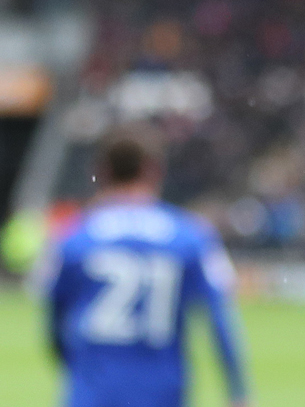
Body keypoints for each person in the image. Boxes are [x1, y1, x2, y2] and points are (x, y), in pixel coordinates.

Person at [43, 128, 249, 407]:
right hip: (161, 392)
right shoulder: (190, 236)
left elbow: (54, 324)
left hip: (93, 393)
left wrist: (79, 367)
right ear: (154, 170)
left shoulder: (74, 237)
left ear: (102, 172)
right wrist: (238, 392)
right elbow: (219, 320)